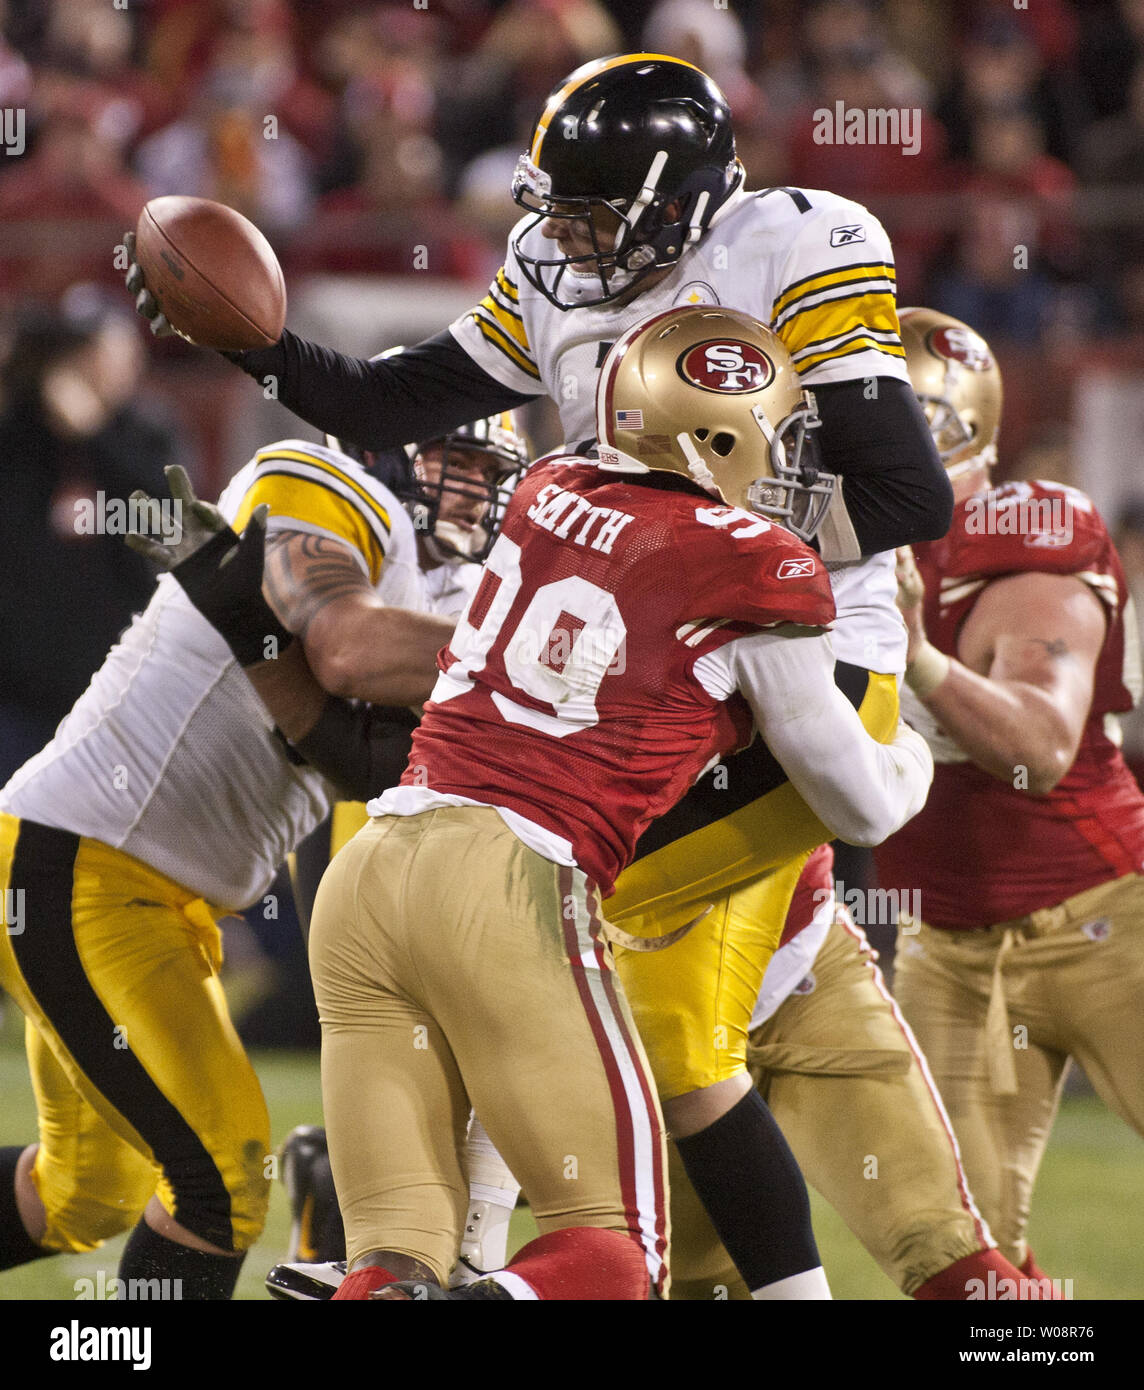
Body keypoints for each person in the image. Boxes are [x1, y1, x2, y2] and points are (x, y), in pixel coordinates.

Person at [124, 50, 951, 1299]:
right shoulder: (559, 300)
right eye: (551, 210)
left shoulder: (799, 243)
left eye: (591, 214)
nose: (562, 240)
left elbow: (904, 491)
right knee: (593, 985)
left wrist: (717, 562)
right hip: (651, 685)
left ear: (680, 197)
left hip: (803, 659)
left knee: (569, 958)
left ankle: (425, 1252)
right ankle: (444, 1256)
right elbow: (385, 398)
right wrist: (258, 347)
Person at [0, 417, 525, 1299]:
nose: (475, 490)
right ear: (383, 449)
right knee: (222, 1180)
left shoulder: (447, 602)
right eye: (456, 462)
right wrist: (534, 657)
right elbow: (347, 647)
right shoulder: (321, 486)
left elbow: (362, 763)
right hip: (82, 863)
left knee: (82, 1197)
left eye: (489, 470)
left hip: (155, 898)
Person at [875, 306, 1144, 1282]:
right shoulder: (824, 550)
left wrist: (917, 662)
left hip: (1104, 915)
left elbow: (1035, 743)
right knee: (954, 1255)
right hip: (945, 945)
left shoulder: (1020, 532)